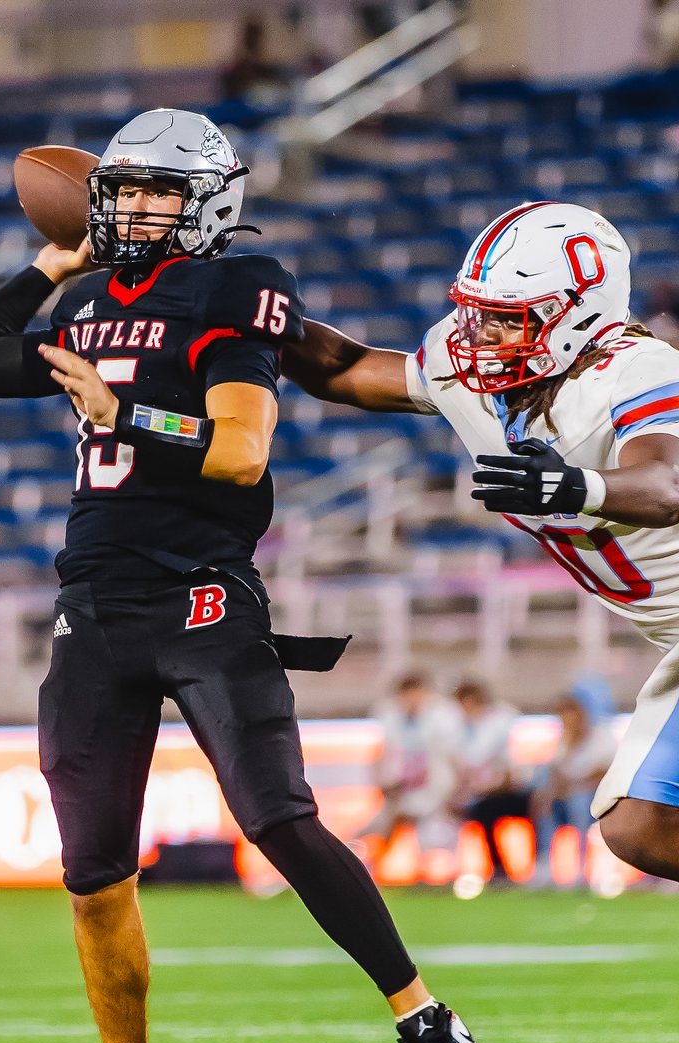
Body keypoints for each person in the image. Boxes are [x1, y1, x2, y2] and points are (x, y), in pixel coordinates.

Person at [0, 108, 495, 1043]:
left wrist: (125, 413)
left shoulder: (236, 287)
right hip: (93, 603)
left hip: (202, 593)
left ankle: (426, 1019)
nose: (132, 208)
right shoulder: (89, 299)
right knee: (93, 870)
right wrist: (47, 268)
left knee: (277, 817)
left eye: (157, 190)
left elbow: (240, 454)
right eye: (122, 190)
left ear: (210, 201)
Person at [285, 199, 679, 887]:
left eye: (507, 316)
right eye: (478, 310)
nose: (482, 331)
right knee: (640, 825)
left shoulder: (635, 368)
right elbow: (342, 369)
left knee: (638, 822)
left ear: (579, 313)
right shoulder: (463, 366)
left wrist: (576, 487)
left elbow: (667, 483)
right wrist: (252, 316)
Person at [530, 693, 617, 885]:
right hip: (566, 798)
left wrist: (576, 785)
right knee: (545, 803)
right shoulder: (563, 742)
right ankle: (544, 865)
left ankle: (581, 867)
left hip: (594, 798)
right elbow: (557, 773)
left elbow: (603, 772)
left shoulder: (599, 736)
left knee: (580, 801)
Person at [370, 673, 461, 848]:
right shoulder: (391, 718)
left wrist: (454, 791)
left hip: (437, 792)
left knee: (435, 841)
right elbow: (383, 757)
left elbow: (453, 758)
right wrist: (385, 783)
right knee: (379, 833)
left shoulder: (443, 718)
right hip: (400, 791)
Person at [451, 680, 528, 882]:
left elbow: (478, 758)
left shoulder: (498, 722)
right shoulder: (468, 728)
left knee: (485, 811)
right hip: (486, 792)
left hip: (513, 790)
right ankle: (495, 867)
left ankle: (502, 868)